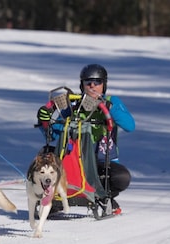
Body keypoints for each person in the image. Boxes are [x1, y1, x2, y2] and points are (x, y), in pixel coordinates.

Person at [36, 64, 135, 214]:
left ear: (104, 84)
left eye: (97, 83)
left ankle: (104, 197)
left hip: (101, 162)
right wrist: (45, 121)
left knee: (121, 177)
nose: (92, 86)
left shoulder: (112, 101)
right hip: (75, 159)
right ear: (82, 85)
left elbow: (130, 126)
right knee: (44, 155)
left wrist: (108, 107)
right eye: (88, 82)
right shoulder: (75, 105)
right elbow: (54, 135)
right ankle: (55, 199)